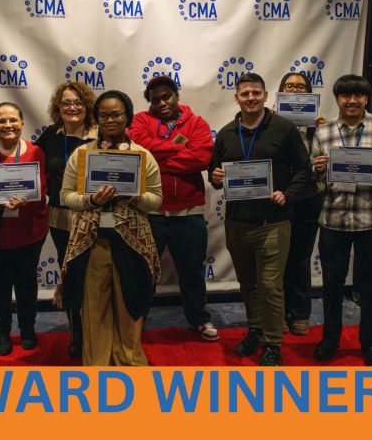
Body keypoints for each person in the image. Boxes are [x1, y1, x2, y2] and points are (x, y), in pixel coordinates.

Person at [208, 73, 314, 366]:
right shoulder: (227, 133)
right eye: (245, 94)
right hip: (237, 222)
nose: (251, 98)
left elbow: (305, 170)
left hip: (274, 222)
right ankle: (255, 329)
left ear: (266, 95)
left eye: (256, 93)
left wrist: (288, 194)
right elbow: (214, 173)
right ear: (236, 98)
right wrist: (216, 177)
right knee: (248, 284)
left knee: (270, 286)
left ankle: (272, 343)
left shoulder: (284, 128)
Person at [58, 90, 162, 366]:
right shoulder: (82, 155)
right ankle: (98, 362)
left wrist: (135, 196)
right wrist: (90, 200)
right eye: (103, 115)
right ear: (96, 118)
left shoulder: (143, 156)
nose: (110, 120)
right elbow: (65, 196)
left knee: (130, 303)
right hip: (92, 242)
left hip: (131, 242)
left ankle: (129, 359)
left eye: (116, 114)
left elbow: (156, 199)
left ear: (127, 116)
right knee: (94, 307)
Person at [311, 74, 372, 366]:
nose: (352, 101)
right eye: (345, 96)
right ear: (337, 99)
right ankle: (330, 339)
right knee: (332, 287)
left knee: (371, 288)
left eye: (358, 96)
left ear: (366, 99)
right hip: (333, 220)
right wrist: (316, 168)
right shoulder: (323, 133)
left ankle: (370, 343)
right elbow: (314, 174)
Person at [128, 75, 218, 341]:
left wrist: (158, 160)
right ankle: (137, 318)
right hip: (150, 213)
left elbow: (202, 157)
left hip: (188, 214)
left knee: (191, 272)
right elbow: (140, 151)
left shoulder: (197, 123)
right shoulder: (141, 121)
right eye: (155, 99)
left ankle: (199, 319)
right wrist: (180, 149)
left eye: (166, 96)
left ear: (176, 95)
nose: (162, 102)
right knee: (144, 272)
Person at [0, 102, 49, 356]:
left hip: (29, 230)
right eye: (1, 121)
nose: (8, 125)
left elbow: (43, 189)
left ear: (22, 123)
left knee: (27, 283)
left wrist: (29, 197)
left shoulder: (36, 152)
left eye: (13, 120)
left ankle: (28, 329)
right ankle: (2, 332)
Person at [34, 82, 98, 359]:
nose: (72, 108)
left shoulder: (101, 136)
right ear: (57, 108)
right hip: (60, 219)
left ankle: (100, 330)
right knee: (70, 277)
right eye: (66, 103)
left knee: (96, 276)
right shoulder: (49, 136)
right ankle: (77, 334)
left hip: (94, 216)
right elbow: (29, 168)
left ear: (87, 107)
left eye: (78, 103)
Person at [276, 72, 326, 336]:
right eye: (290, 86)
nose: (295, 89)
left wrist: (322, 129)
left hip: (308, 197)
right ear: (281, 90)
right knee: (277, 257)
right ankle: (279, 313)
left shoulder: (319, 125)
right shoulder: (270, 120)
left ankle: (301, 314)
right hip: (280, 197)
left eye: (301, 86)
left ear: (309, 92)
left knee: (300, 256)